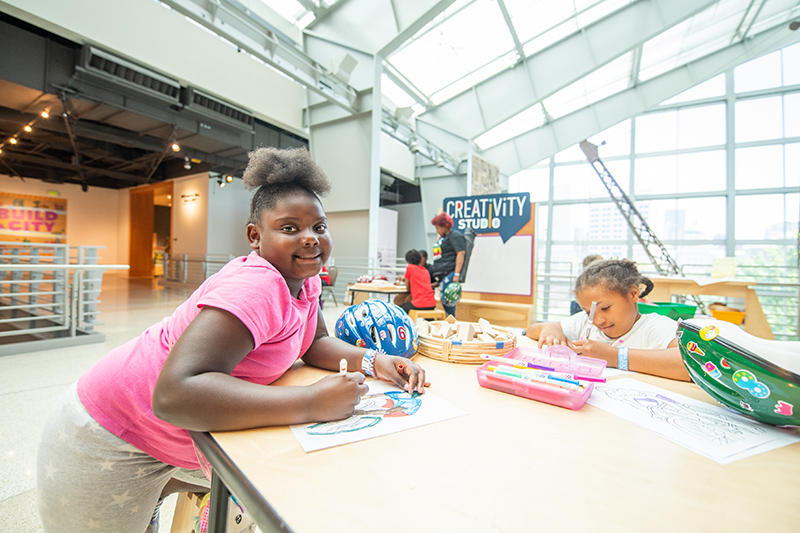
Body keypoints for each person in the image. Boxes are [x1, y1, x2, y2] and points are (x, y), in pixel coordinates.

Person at [36, 147, 428, 533]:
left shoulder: (305, 282)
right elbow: (174, 393)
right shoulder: (256, 285)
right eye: (290, 228)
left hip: (174, 440)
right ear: (255, 236)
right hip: (105, 436)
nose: (310, 239)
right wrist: (311, 403)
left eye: (319, 227)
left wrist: (374, 361)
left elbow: (313, 342)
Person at [526, 259, 689, 381]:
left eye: (605, 308)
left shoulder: (655, 326)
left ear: (633, 294)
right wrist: (549, 327)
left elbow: (690, 363)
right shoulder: (585, 322)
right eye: (588, 311)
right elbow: (531, 331)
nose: (597, 320)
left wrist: (613, 356)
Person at [430, 212, 466, 317]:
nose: (437, 231)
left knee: (448, 298)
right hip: (442, 273)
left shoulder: (455, 236)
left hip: (450, 272)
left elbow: (461, 253)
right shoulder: (442, 238)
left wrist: (456, 274)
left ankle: (451, 323)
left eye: (438, 228)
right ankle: (449, 321)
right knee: (443, 299)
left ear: (445, 226)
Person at [397, 249, 436, 314]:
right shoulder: (425, 270)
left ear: (408, 261)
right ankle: (430, 320)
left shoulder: (409, 268)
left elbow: (408, 288)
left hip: (420, 303)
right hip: (432, 303)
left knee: (399, 311)